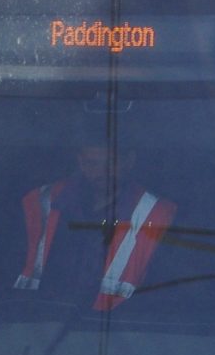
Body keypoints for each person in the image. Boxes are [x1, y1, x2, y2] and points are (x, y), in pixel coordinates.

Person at [17, 113, 176, 312]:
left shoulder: (158, 216)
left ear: (129, 161)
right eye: (92, 164)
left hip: (122, 335)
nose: (101, 173)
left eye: (111, 163)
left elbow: (163, 297)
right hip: (34, 331)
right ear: (80, 162)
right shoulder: (40, 202)